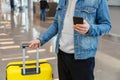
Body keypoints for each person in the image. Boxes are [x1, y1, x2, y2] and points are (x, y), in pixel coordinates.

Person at [29, 0, 112, 80]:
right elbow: (56, 24)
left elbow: (106, 25)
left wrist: (90, 28)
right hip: (62, 55)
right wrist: (41, 40)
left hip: (83, 58)